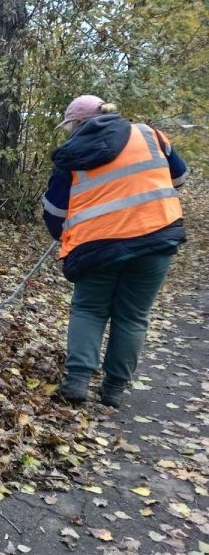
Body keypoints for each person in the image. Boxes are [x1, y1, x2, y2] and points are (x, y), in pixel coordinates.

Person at [42, 95, 189, 407]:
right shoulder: (150, 135)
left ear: (76, 123)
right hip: (157, 238)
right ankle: (113, 390)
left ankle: (77, 381)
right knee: (133, 315)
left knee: (89, 309)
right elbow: (179, 177)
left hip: (97, 245)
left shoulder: (70, 154)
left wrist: (63, 234)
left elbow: (55, 211)